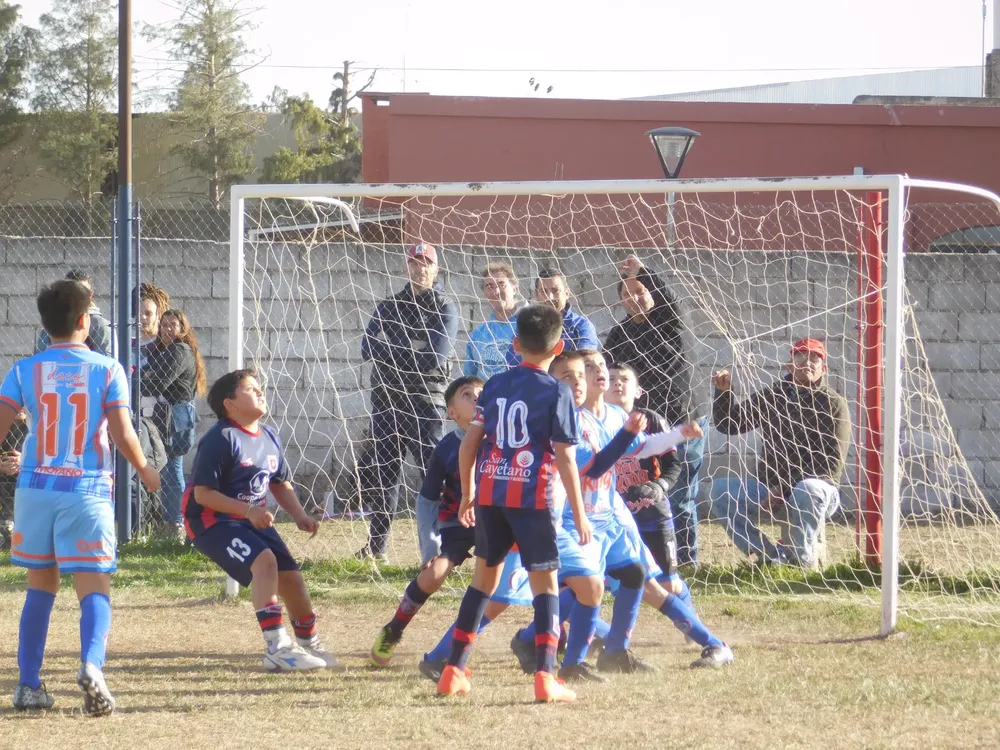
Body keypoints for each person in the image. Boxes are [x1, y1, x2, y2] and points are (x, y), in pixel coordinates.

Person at [2, 279, 161, 715]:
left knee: (40, 586)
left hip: (35, 490)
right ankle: (92, 666)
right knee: (94, 585)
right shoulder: (108, 370)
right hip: (86, 490)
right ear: (84, 322)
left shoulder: (23, 370)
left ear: (44, 324)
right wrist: (147, 469)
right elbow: (124, 433)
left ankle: (29, 685)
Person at [437, 304, 591, 703]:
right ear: (558, 348)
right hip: (532, 499)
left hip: (491, 496)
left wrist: (469, 493)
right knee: (546, 586)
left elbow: (470, 443)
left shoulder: (495, 386)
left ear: (515, 343)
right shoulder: (556, 391)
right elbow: (566, 457)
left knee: (482, 583)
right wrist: (578, 511)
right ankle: (546, 676)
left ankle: (453, 670)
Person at [182, 368, 339, 672]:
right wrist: (248, 511)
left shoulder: (269, 436)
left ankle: (309, 644)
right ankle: (277, 648)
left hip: (250, 520)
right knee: (264, 562)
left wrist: (300, 515)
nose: (260, 392)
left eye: (259, 388)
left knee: (292, 578)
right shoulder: (220, 438)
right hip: (211, 521)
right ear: (230, 404)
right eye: (250, 389)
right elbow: (202, 495)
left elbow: (280, 483)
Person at [602, 361, 735, 668]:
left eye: (624, 379)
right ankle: (596, 643)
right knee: (594, 584)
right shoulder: (595, 420)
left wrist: (658, 486)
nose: (615, 383)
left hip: (650, 515)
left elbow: (667, 461)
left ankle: (695, 629)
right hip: (613, 516)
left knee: (666, 584)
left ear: (639, 390)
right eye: (610, 378)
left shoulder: (648, 421)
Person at [369, 375, 484, 666]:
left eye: (482, 393)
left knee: (533, 574)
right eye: (467, 394)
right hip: (457, 526)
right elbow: (427, 499)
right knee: (434, 574)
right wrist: (430, 546)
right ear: (452, 413)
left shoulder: (504, 440)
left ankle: (549, 637)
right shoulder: (446, 449)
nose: (477, 398)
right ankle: (393, 629)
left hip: (496, 522)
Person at [711, 338, 852, 568]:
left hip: (819, 490)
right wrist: (723, 393)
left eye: (815, 358)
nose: (807, 362)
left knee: (808, 489)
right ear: (790, 365)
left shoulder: (834, 404)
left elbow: (830, 464)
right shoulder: (774, 395)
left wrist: (784, 487)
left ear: (824, 368)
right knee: (719, 491)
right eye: (800, 356)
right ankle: (767, 556)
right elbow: (730, 424)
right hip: (770, 487)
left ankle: (801, 563)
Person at [357, 242, 459, 561]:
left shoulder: (444, 307)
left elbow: (434, 355)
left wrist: (393, 350)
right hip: (387, 400)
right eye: (415, 263)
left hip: (425, 403)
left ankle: (445, 544)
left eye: (426, 263)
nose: (420, 268)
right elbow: (366, 347)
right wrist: (409, 350)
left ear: (436, 269)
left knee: (434, 474)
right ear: (407, 267)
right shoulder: (390, 305)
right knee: (385, 473)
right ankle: (376, 546)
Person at [604, 254, 706, 567]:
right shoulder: (618, 334)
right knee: (641, 494)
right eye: (627, 293)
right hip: (643, 429)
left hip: (682, 419)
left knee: (681, 493)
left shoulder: (672, 321)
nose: (634, 298)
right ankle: (644, 556)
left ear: (652, 292)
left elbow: (671, 300)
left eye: (641, 291)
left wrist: (644, 272)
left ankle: (686, 559)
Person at [141, 309, 207, 540]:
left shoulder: (179, 350)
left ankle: (175, 523)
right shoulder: (168, 350)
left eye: (173, 325)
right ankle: (171, 521)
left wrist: (146, 376)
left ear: (183, 329)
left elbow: (155, 384)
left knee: (171, 469)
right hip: (171, 415)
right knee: (169, 468)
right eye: (164, 324)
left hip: (175, 418)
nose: (167, 329)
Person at [505, 268, 599, 367]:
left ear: (567, 293)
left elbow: (586, 362)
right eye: (543, 291)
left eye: (555, 291)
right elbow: (513, 360)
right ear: (537, 295)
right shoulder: (528, 325)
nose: (549, 297)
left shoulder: (581, 326)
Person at [464, 262, 522, 380]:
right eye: (489, 286)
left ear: (515, 289)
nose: (496, 292)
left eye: (501, 284)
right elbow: (469, 379)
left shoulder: (530, 327)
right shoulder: (477, 335)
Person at [35, 270, 112, 356]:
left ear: (90, 294)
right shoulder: (52, 320)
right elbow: (40, 354)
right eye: (71, 293)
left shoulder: (99, 324)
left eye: (83, 292)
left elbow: (106, 356)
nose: (77, 297)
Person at [0, 408, 27, 548]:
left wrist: (24, 461)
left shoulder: (38, 428)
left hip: (27, 476)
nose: (20, 406)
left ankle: (11, 525)